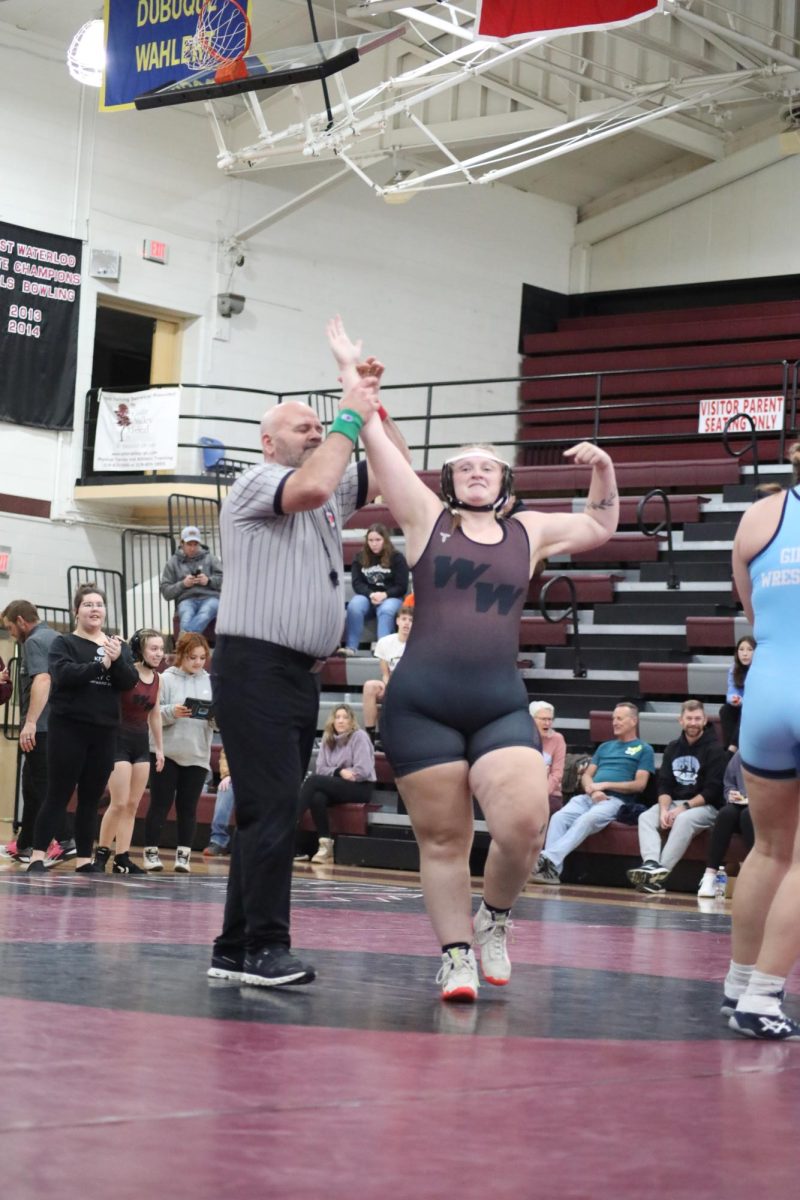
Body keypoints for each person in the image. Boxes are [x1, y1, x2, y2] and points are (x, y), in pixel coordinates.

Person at [329, 319, 620, 1002]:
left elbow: (603, 525)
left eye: (488, 464)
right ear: (450, 481)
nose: (477, 471)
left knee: (523, 823)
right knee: (443, 839)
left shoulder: (531, 531)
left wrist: (603, 468)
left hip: (495, 701)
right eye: (464, 466)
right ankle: (456, 954)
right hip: (422, 699)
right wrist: (353, 374)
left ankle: (495, 919)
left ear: (506, 478)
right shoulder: (425, 518)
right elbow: (372, 434)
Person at [208, 334, 409, 989]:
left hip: (296, 673)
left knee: (267, 808)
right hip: (253, 666)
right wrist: (349, 412)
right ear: (271, 442)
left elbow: (393, 471)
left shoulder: (323, 507)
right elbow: (321, 475)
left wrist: (369, 400)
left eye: (321, 425)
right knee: (271, 808)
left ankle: (234, 948)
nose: (318, 432)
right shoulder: (255, 483)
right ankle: (267, 947)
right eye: (304, 426)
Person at [722, 441, 800, 1039]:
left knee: (770, 850)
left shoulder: (758, 517)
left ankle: (738, 982)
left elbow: (754, 614)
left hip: (768, 687)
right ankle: (765, 998)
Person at [26, 584, 138, 873]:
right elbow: (63, 676)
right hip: (69, 729)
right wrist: (101, 664)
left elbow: (129, 682)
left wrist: (115, 661)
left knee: (91, 797)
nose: (94, 609)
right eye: (88, 604)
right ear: (77, 611)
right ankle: (38, 855)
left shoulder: (117, 646)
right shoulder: (64, 644)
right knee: (58, 793)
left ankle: (85, 860)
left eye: (99, 604)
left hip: (104, 731)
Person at [531, 702, 654, 884]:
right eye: (613, 718)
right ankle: (552, 872)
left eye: (619, 718)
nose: (614, 722)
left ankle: (547, 857)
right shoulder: (605, 747)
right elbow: (587, 776)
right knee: (559, 817)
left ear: (633, 721)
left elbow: (639, 784)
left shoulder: (644, 749)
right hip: (589, 796)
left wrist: (603, 785)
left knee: (586, 819)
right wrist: (591, 788)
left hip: (615, 800)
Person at [1, 603, 78, 866]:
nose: (11, 634)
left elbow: (42, 680)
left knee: (44, 787)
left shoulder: (34, 641)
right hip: (58, 725)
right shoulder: (56, 637)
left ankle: (66, 840)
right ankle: (25, 844)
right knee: (32, 786)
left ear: (21, 621)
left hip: (42, 728)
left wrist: (30, 722)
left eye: (11, 628)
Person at [626, 699, 727, 895]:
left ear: (705, 720)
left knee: (683, 820)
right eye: (689, 718)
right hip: (673, 802)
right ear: (680, 720)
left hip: (705, 806)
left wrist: (683, 808)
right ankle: (650, 864)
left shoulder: (716, 750)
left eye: (697, 718)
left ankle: (658, 877)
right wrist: (664, 809)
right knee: (645, 817)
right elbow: (664, 784)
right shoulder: (673, 747)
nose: (693, 722)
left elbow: (712, 791)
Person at [94, 629, 165, 874]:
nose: (159, 653)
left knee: (133, 805)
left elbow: (155, 714)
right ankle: (101, 855)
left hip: (141, 746)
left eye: (161, 648)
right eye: (153, 649)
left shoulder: (158, 679)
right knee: (119, 802)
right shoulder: (126, 673)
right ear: (140, 650)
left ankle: (122, 857)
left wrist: (160, 749)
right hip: (118, 742)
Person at [142, 632, 213, 873]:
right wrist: (172, 711)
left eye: (202, 658)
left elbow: (219, 722)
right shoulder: (165, 679)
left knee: (188, 808)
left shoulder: (210, 682)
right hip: (166, 751)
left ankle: (184, 856)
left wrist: (216, 717)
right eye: (193, 657)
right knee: (160, 804)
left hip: (196, 753)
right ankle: (150, 852)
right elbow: (152, 715)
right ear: (181, 655)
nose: (198, 662)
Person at [296, 704, 376, 864]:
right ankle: (326, 846)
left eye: (345, 717)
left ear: (352, 721)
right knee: (317, 797)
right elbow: (320, 768)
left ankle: (288, 824)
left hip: (361, 787)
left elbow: (362, 771)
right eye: (337, 717)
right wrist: (339, 771)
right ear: (332, 721)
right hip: (339, 784)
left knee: (313, 782)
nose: (341, 721)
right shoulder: (328, 739)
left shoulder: (359, 736)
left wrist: (336, 773)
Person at [338, 524, 409, 655]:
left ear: (385, 540)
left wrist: (385, 594)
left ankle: (382, 650)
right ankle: (351, 647)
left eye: (378, 540)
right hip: (368, 597)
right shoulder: (359, 557)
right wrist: (371, 594)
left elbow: (402, 586)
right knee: (354, 605)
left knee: (386, 609)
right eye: (370, 540)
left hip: (391, 597)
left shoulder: (397, 558)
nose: (374, 544)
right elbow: (357, 583)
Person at [697, 750, 753, 898]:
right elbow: (729, 782)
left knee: (747, 815)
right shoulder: (742, 753)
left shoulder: (781, 754)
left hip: (766, 809)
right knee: (725, 814)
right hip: (741, 804)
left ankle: (756, 876)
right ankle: (709, 876)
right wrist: (731, 793)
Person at [362, 604, 414, 746]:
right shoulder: (385, 642)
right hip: (391, 684)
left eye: (410, 620)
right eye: (404, 619)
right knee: (369, 686)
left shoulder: (419, 643)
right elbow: (385, 673)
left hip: (411, 687)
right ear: (397, 621)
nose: (406, 623)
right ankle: (369, 737)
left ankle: (394, 740)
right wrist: (389, 686)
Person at [160, 526, 223, 634]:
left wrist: (208, 581)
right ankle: (186, 641)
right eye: (189, 544)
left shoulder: (211, 558)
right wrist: (183, 584)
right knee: (186, 616)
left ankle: (183, 640)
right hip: (186, 600)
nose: (192, 548)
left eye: (195, 544)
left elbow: (224, 580)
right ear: (182, 543)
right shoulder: (172, 563)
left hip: (210, 598)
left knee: (205, 612)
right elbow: (166, 592)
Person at [718, 635, 755, 753]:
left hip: (757, 708)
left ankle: (732, 749)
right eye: (741, 649)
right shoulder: (734, 668)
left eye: (749, 650)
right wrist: (734, 699)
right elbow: (731, 692)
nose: (745, 653)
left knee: (746, 710)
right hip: (741, 703)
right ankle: (730, 746)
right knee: (725, 710)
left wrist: (743, 701)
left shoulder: (761, 669)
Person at [528, 700, 567, 808]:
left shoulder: (557, 739)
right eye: (543, 719)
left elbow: (557, 774)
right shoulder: (524, 738)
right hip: (525, 790)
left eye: (550, 719)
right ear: (532, 720)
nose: (547, 723)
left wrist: (541, 794)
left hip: (550, 793)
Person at [203, 747, 235, 857]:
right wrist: (227, 775)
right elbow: (226, 754)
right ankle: (218, 841)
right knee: (225, 787)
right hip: (237, 777)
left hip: (263, 779)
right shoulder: (240, 731)